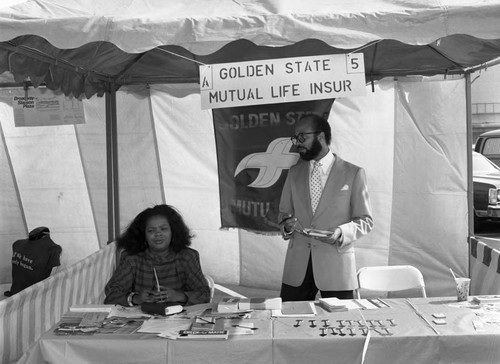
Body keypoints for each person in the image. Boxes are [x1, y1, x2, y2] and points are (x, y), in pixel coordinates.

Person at [278, 114, 374, 301]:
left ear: (320, 137)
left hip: (337, 268)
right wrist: (286, 225)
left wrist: (341, 232)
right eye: (295, 138)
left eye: (302, 137)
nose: (297, 143)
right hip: (297, 267)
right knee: (288, 324)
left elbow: (365, 220)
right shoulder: (293, 173)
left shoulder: (353, 174)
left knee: (342, 326)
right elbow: (283, 212)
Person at [104, 204, 211, 306]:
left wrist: (179, 296)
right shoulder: (132, 258)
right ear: (143, 235)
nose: (158, 234)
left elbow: (205, 294)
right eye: (151, 231)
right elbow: (111, 296)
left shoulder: (187, 257)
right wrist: (136, 298)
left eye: (163, 229)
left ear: (173, 231)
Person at [5, 226, 62, 297]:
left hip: (15, 293)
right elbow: (55, 274)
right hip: (34, 296)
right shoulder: (53, 249)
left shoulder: (17, 243)